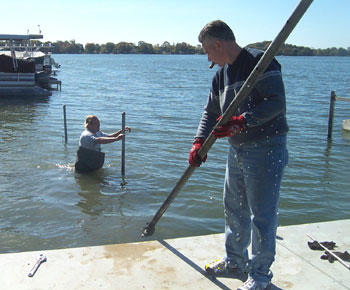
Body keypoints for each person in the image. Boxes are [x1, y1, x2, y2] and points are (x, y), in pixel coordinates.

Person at [188, 20, 289, 290]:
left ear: (219, 44)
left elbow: (276, 103)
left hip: (266, 147)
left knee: (262, 214)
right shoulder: (220, 76)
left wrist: (241, 121)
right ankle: (235, 261)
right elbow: (210, 112)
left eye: (207, 51)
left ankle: (260, 276)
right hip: (237, 149)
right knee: (233, 207)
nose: (207, 58)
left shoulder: (260, 62)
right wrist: (199, 142)